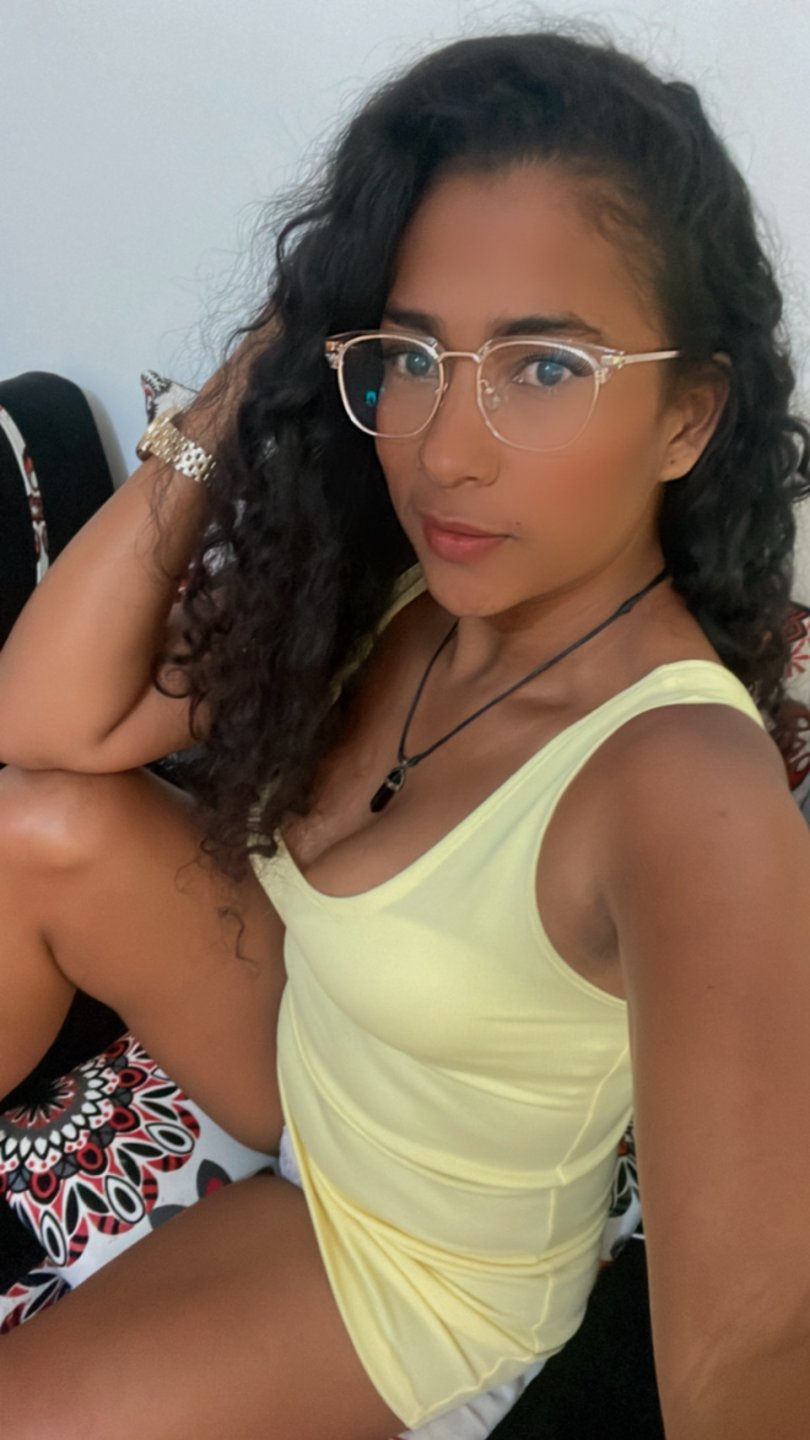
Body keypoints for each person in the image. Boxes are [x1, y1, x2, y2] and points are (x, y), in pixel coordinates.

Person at [0, 20, 809, 1440]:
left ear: (687, 418)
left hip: (409, 1267)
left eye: (544, 368)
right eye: (413, 355)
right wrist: (254, 377)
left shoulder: (685, 786)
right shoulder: (401, 594)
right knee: (33, 822)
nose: (444, 450)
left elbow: (753, 1350)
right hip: (313, 1057)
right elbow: (45, 715)